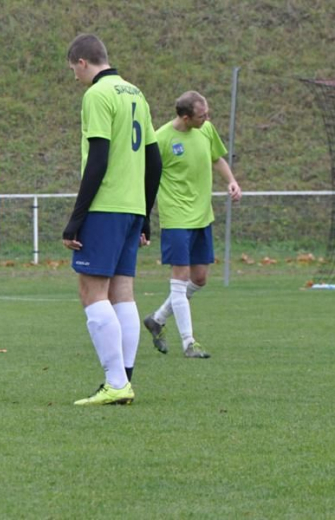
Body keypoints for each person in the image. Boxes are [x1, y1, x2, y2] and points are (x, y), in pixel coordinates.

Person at [63, 34, 162, 406]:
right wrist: (146, 214)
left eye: (74, 69)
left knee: (92, 291)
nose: (75, 77)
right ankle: (125, 378)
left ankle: (116, 381)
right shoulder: (136, 94)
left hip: (105, 207)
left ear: (83, 62)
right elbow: (154, 161)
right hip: (132, 207)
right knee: (123, 293)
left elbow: (98, 158)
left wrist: (77, 217)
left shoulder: (97, 95)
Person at [143, 91, 242, 358]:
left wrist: (231, 181)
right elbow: (147, 178)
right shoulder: (161, 138)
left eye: (207, 113)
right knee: (180, 279)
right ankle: (189, 343)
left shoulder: (206, 130)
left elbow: (217, 158)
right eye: (202, 116)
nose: (207, 118)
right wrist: (143, 219)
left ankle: (157, 319)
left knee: (199, 279)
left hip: (202, 216)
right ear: (186, 118)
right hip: (176, 218)